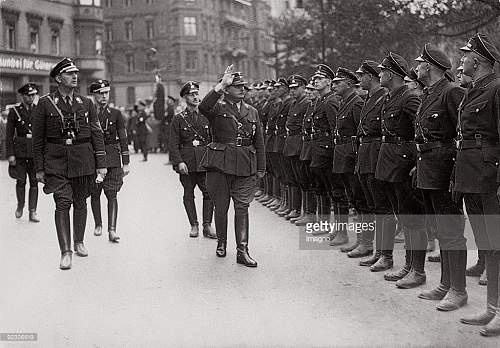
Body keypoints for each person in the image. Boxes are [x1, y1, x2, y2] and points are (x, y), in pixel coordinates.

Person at [32, 57, 107, 270]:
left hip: (83, 159)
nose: (74, 76)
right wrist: (39, 168)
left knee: (81, 201)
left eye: (75, 73)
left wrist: (101, 163)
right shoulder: (46, 103)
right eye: (68, 73)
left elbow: (97, 134)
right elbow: (38, 139)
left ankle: (79, 241)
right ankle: (65, 251)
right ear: (58, 78)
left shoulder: (86, 103)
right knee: (63, 202)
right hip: (56, 160)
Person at [412, 43, 467, 311]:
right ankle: (446, 284)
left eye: (420, 63)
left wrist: (455, 171)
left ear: (430, 67)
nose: (417, 66)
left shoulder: (451, 91)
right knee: (442, 229)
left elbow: (462, 132)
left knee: (452, 231)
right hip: (429, 166)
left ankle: (458, 290)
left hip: (445, 168)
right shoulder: (428, 93)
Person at [454, 33, 500, 337]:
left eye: (466, 55)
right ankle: (492, 309)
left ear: (479, 61)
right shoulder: (473, 90)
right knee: (486, 244)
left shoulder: (496, 89)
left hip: (489, 176)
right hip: (472, 175)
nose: (461, 60)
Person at [199, 65, 265, 267]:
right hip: (220, 165)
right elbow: (203, 107)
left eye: (243, 86)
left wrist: (261, 168)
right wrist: (220, 85)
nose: (242, 89)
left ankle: (242, 250)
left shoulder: (252, 111)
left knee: (242, 207)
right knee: (221, 206)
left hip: (245, 165)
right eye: (236, 86)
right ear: (227, 89)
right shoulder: (217, 108)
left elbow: (259, 142)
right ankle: (221, 242)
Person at [375, 53, 427, 289]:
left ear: (392, 74)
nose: (379, 74)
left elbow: (422, 129)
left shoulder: (409, 97)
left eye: (382, 71)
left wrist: (418, 160)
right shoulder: (391, 96)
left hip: (404, 162)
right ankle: (408, 266)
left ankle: (418, 270)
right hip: (390, 160)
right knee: (403, 217)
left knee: (413, 219)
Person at [355, 60, 395, 271]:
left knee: (382, 207)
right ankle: (376, 250)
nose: (359, 79)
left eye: (361, 76)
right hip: (366, 154)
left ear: (369, 77)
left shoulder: (382, 98)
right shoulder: (370, 98)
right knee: (372, 205)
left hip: (377, 154)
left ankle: (385, 255)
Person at [169, 81, 217, 239]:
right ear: (184, 98)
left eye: (197, 93)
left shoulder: (207, 116)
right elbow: (173, 144)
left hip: (205, 161)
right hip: (187, 163)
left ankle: (207, 225)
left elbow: (213, 138)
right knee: (188, 194)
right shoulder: (178, 119)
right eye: (192, 94)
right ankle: (194, 225)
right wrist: (179, 162)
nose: (196, 97)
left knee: (209, 193)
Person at [89, 80, 130, 243]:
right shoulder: (87, 113)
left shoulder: (116, 114)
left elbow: (123, 138)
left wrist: (125, 162)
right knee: (94, 193)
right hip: (93, 159)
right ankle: (98, 223)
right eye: (100, 93)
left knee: (112, 194)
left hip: (112, 158)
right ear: (94, 95)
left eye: (106, 93)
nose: (104, 96)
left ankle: (112, 229)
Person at [331, 67, 366, 249]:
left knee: (359, 200)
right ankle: (351, 237)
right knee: (351, 197)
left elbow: (361, 133)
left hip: (351, 156)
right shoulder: (345, 102)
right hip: (342, 154)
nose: (334, 85)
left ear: (349, 83)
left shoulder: (356, 103)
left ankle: (363, 242)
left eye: (338, 82)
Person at [6, 83, 40, 222]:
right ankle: (20, 206)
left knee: (34, 182)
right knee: (20, 181)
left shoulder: (38, 110)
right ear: (23, 96)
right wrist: (10, 154)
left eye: (33, 95)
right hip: (19, 152)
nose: (31, 98)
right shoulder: (15, 111)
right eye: (28, 95)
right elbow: (8, 135)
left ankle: (33, 211)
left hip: (34, 152)